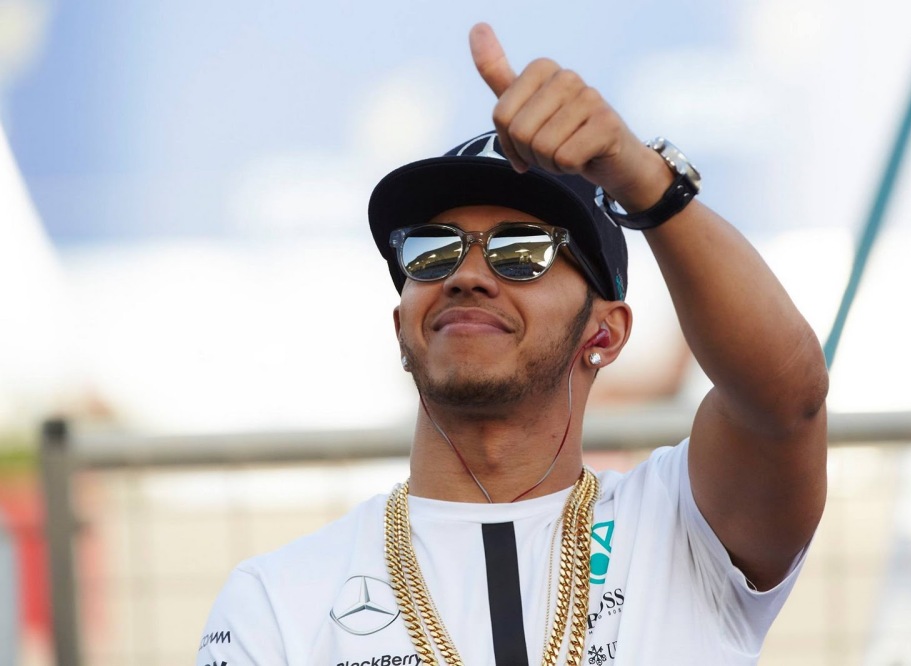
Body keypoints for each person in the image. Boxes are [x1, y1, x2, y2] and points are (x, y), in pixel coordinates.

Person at [196, 22, 828, 666]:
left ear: (605, 332)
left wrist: (642, 178)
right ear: (402, 328)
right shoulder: (277, 603)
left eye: (521, 250)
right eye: (432, 251)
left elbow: (786, 400)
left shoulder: (684, 529)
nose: (467, 275)